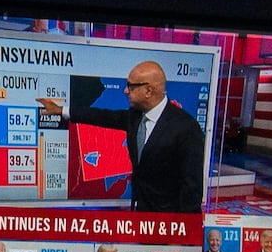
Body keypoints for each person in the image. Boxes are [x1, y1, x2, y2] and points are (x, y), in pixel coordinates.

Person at [55, 60, 201, 212]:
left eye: (131, 86)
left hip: (168, 220)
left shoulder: (186, 128)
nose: (125, 91)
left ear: (149, 91)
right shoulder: (135, 117)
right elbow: (102, 116)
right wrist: (62, 111)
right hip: (141, 215)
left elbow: (192, 186)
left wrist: (185, 230)